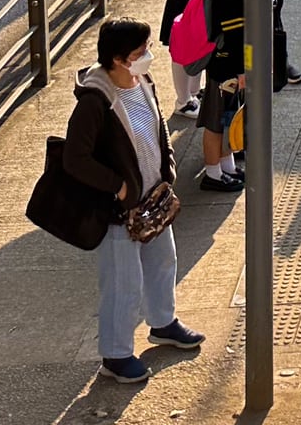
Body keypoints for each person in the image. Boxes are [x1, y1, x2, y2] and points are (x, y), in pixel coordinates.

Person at [63, 19, 205, 383]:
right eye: (139, 53)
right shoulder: (95, 103)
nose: (147, 58)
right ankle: (115, 355)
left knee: (162, 263)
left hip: (153, 201)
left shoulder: (142, 83)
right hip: (119, 212)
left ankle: (163, 322)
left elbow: (157, 131)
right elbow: (75, 159)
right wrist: (118, 188)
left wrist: (167, 171)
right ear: (117, 58)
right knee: (122, 283)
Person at [196, 0, 250, 191]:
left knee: (228, 117)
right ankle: (213, 172)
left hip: (230, 63)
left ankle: (226, 166)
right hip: (226, 64)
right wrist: (241, 69)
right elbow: (234, 32)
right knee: (216, 121)